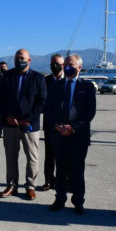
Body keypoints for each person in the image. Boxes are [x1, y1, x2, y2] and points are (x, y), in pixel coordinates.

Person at [45, 55, 96, 214]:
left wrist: (73, 128)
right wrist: (56, 125)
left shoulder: (87, 87)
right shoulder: (55, 86)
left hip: (78, 136)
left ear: (79, 67)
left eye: (71, 64)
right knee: (60, 169)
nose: (67, 67)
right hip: (59, 134)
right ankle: (60, 199)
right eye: (65, 64)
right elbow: (48, 109)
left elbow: (90, 112)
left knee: (77, 170)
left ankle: (78, 201)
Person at [0, 49, 47, 201]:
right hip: (10, 124)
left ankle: (30, 186)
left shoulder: (38, 78)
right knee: (11, 156)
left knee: (32, 157)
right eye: (17, 58)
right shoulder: (7, 76)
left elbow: (42, 101)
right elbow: (0, 99)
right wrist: (7, 115)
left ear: (29, 60)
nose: (20, 60)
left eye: (22, 58)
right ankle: (12, 185)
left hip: (30, 125)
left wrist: (29, 118)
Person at [38, 53, 65, 192]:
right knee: (49, 155)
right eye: (52, 63)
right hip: (50, 124)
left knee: (65, 155)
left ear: (63, 65)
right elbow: (42, 102)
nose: (55, 66)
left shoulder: (69, 80)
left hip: (66, 125)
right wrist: (53, 122)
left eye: (57, 64)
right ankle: (49, 180)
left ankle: (63, 181)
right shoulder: (46, 81)